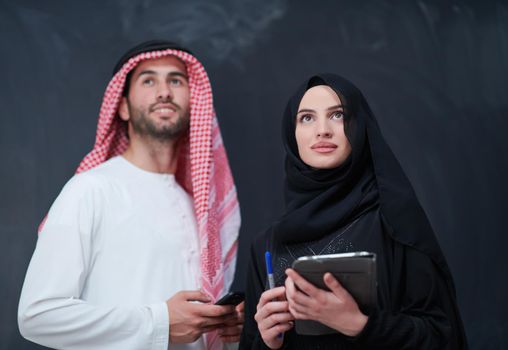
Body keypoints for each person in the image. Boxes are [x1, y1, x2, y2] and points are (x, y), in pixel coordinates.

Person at [18, 40, 243, 350]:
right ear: (122, 106)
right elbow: (37, 315)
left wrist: (223, 326)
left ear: (195, 101)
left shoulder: (200, 209)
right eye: (148, 80)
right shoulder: (91, 190)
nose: (164, 91)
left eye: (176, 80)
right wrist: (159, 322)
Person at [239, 74, 468, 349]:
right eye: (307, 118)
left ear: (359, 128)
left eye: (337, 115)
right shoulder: (266, 244)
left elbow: (444, 337)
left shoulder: (394, 223)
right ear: (292, 134)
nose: (322, 130)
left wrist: (359, 324)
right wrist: (267, 342)